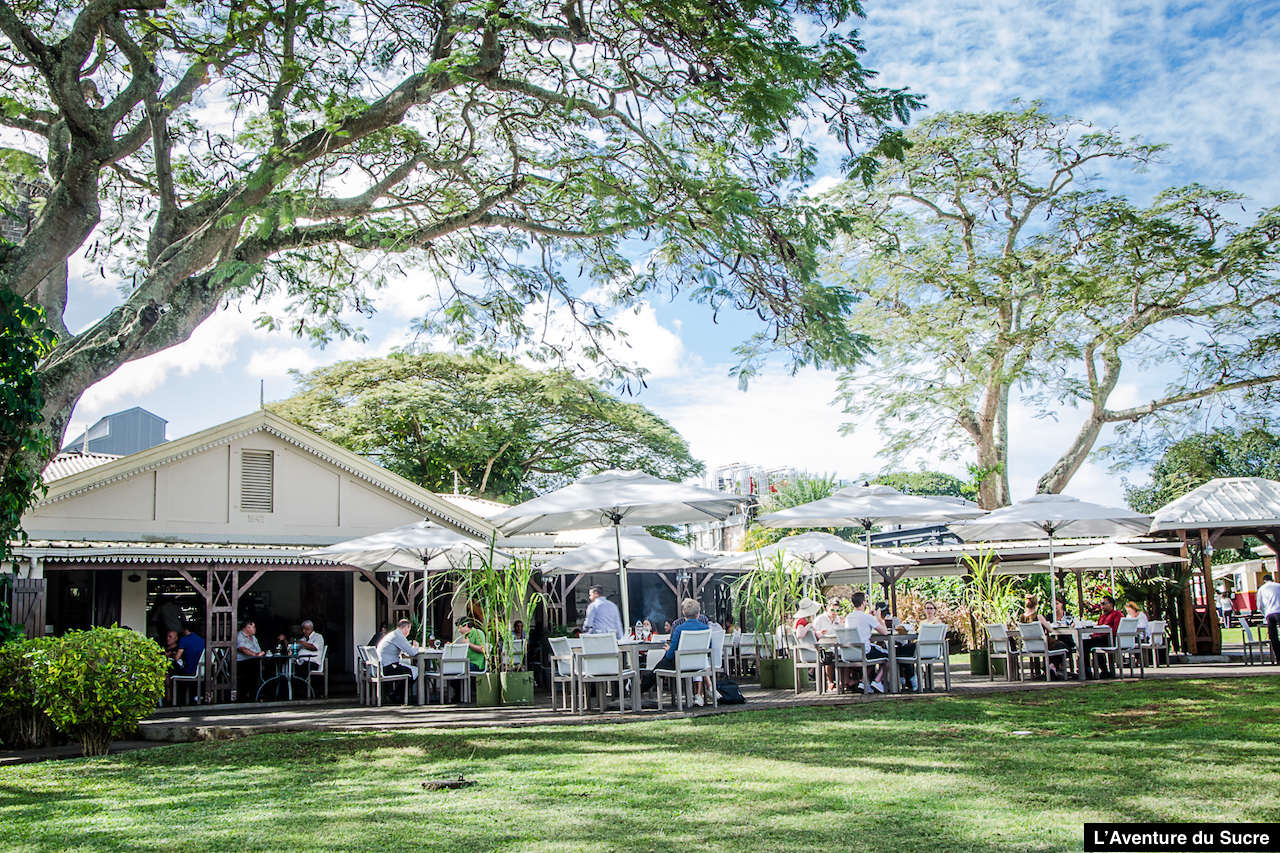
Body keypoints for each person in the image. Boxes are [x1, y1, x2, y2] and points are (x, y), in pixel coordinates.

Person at [641, 598, 711, 705]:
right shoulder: (705, 629)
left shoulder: (679, 629)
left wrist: (669, 651)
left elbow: (670, 655)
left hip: (681, 664)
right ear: (698, 614)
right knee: (661, 664)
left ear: (684, 613)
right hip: (699, 665)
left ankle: (638, 691)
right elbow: (709, 648)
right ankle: (638, 689)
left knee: (658, 667)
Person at [844, 592, 888, 693]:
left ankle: (864, 683)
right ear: (863, 603)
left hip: (851, 652)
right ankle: (877, 681)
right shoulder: (868, 618)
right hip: (864, 651)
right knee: (889, 655)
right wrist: (878, 618)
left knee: (872, 657)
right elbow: (884, 632)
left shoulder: (848, 618)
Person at [376, 618, 419, 702]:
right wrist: (416, 647)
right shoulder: (398, 636)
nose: (408, 633)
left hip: (381, 666)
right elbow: (412, 652)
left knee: (410, 670)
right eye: (409, 630)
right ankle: (397, 695)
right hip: (388, 667)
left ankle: (397, 694)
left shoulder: (392, 634)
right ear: (406, 628)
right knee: (415, 671)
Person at [1020, 594, 1061, 680]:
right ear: (1036, 606)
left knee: (1057, 648)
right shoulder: (1038, 616)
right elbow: (1050, 630)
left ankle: (1050, 669)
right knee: (1066, 647)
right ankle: (1050, 666)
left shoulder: (1022, 617)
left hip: (1030, 645)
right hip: (1045, 643)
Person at [1086, 596, 1123, 679]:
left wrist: (1102, 634)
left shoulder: (1117, 614)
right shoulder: (1101, 617)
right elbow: (1097, 629)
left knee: (1089, 644)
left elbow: (1117, 629)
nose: (1101, 606)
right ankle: (1087, 670)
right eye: (1101, 604)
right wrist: (1096, 635)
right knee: (1083, 644)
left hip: (1111, 639)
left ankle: (1104, 670)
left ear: (1111, 604)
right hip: (1100, 639)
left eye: (1103, 603)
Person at [235, 620, 266, 701]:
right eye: (253, 627)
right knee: (253, 666)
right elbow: (242, 649)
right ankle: (251, 696)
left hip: (254, 661)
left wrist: (261, 660)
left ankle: (260, 693)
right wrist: (255, 655)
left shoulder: (253, 637)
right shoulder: (239, 636)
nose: (255, 629)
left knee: (264, 667)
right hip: (241, 663)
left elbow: (259, 651)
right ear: (246, 628)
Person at [1258, 574, 1280, 664]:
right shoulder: (1278, 586)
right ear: (1272, 579)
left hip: (1270, 613)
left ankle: (1278, 657)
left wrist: (1265, 614)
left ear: (1264, 581)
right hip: (1279, 611)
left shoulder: (1261, 589)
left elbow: (1259, 605)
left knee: (1273, 636)